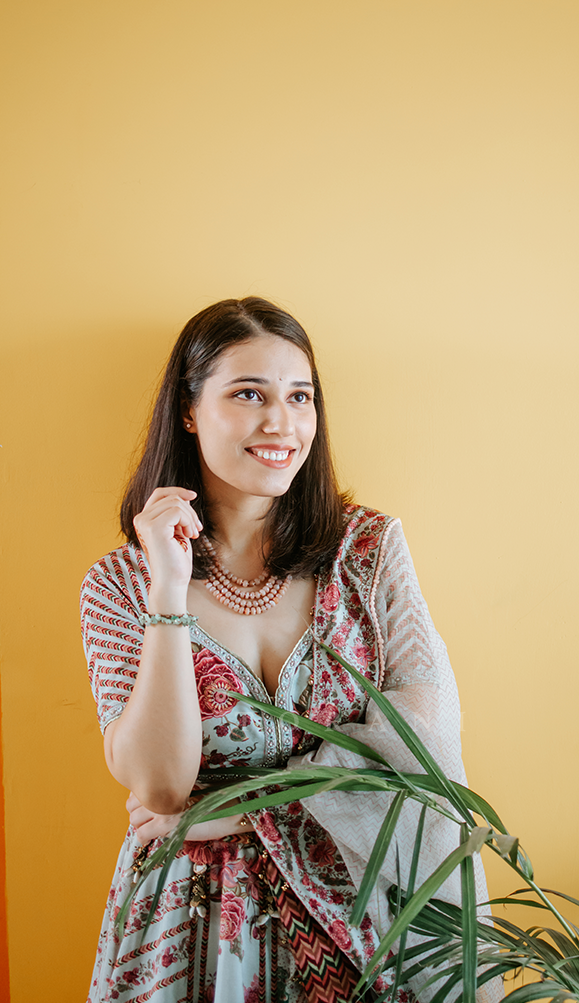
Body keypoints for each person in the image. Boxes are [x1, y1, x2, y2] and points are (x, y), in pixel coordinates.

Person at [81, 297, 493, 1003]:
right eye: (249, 394)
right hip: (194, 928)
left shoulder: (367, 552)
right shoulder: (119, 584)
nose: (282, 423)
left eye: (300, 397)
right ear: (188, 410)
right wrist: (169, 594)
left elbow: (425, 737)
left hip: (370, 910)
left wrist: (246, 812)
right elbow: (159, 787)